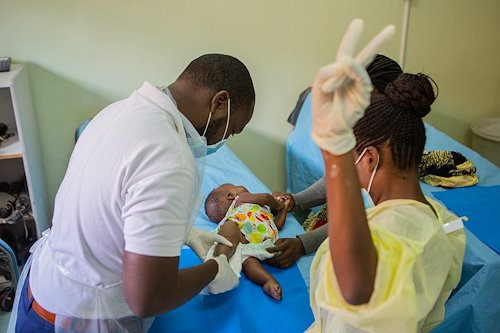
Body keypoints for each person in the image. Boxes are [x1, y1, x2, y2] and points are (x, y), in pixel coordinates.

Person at [9, 53, 256, 333]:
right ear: (220, 102)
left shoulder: (120, 111)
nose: (222, 141)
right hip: (75, 317)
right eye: (232, 130)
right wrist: (215, 269)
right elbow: (148, 298)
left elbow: (112, 200)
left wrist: (182, 233)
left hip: (43, 288)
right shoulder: (170, 157)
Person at [306, 20, 466, 332]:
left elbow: (355, 288)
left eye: (351, 159)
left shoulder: (404, 230)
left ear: (369, 158)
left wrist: (334, 152)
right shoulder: (438, 218)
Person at [268, 53, 403, 268]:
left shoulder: (388, 153)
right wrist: (294, 200)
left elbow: (361, 217)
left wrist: (303, 244)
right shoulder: (359, 130)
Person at [204, 183, 289, 300]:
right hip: (259, 236)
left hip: (249, 234)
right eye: (235, 186)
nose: (240, 185)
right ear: (230, 195)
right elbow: (265, 197)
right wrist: (279, 205)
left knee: (230, 237)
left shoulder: (264, 211)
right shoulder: (241, 199)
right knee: (248, 261)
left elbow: (277, 224)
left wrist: (284, 208)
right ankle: (268, 281)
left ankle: (222, 258)